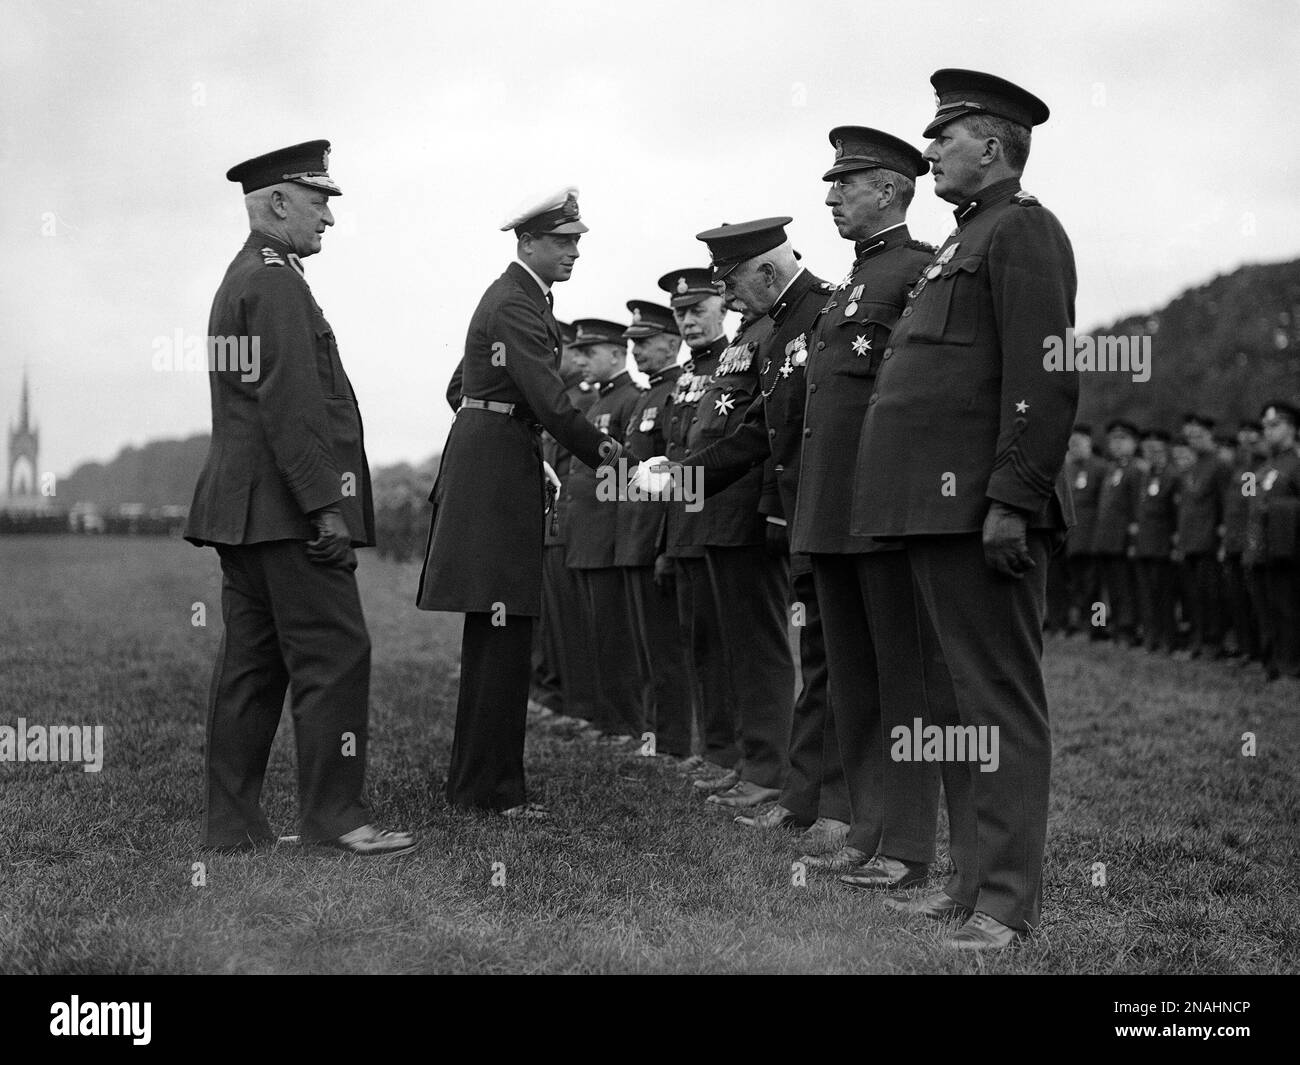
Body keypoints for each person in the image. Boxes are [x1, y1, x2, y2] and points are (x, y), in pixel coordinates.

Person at [852, 70, 1078, 950]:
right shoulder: (964, 239)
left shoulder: (1024, 230)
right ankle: (967, 885)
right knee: (953, 712)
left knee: (997, 705)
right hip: (931, 516)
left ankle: (1005, 906)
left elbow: (1045, 375)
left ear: (992, 145)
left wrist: (1012, 501)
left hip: (980, 515)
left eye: (946, 135)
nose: (932, 146)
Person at [185, 140, 412, 856]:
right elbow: (291, 408)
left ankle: (235, 826)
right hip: (289, 512)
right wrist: (325, 508)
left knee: (253, 668)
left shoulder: (241, 277)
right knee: (335, 656)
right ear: (279, 201)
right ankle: (336, 819)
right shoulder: (277, 281)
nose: (329, 220)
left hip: (244, 512)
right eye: (320, 203)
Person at [416, 188, 623, 818]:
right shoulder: (516, 302)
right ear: (528, 242)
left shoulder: (520, 298)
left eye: (578, 242)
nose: (574, 253)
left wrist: (504, 433)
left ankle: (483, 785)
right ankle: (489, 791)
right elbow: (549, 400)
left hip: (496, 465)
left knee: (499, 632)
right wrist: (607, 454)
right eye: (564, 242)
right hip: (496, 477)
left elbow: (462, 389)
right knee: (503, 630)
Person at [793, 128, 942, 886]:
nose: (830, 197)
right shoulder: (849, 287)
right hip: (830, 512)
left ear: (886, 189)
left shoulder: (918, 271)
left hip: (880, 514)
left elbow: (914, 398)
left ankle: (909, 845)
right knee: (851, 678)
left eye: (843, 184)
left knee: (901, 682)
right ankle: (868, 826)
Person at [674, 216, 844, 828]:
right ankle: (765, 771)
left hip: (768, 510)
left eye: (731, 282)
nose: (724, 297)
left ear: (766, 270)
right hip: (727, 506)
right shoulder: (761, 328)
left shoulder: (816, 312)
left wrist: (772, 509)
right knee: (741, 650)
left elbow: (779, 432)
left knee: (771, 650)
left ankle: (776, 776)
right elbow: (747, 427)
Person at [656, 268, 744, 787]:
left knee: (731, 643)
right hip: (687, 525)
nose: (687, 320)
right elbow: (674, 460)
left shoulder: (734, 363)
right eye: (680, 313)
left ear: (722, 308)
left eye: (696, 310)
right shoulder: (688, 376)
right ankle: (716, 750)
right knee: (702, 644)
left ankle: (738, 756)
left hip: (724, 518)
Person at [563, 318, 648, 743]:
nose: (580, 360)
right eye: (577, 352)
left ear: (617, 354)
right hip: (587, 535)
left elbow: (632, 474)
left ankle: (628, 723)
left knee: (617, 635)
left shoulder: (631, 399)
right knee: (596, 632)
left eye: (589, 352)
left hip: (610, 534)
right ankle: (607, 718)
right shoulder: (597, 403)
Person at [616, 300, 694, 759]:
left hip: (655, 536)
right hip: (633, 534)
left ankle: (674, 743)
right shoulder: (647, 396)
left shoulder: (673, 394)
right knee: (647, 649)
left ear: (672, 342)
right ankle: (654, 736)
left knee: (667, 651)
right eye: (632, 343)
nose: (636, 351)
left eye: (644, 342)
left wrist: (665, 542)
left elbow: (675, 475)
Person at [532, 321, 601, 725]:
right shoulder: (555, 401)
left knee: (578, 629)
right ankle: (557, 699)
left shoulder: (582, 402)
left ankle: (581, 708)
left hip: (576, 531)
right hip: (554, 530)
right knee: (555, 628)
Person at [1245, 401, 1300, 680]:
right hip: (1261, 550)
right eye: (1265, 426)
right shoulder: (1266, 467)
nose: (1267, 431)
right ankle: (1272, 664)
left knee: (1287, 610)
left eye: (1274, 425)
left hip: (1287, 552)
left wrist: (1278, 511)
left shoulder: (1296, 463)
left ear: (1291, 427)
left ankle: (1290, 666)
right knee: (1265, 610)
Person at [1175, 413, 1228, 658]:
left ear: (1210, 435)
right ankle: (1196, 641)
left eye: (1198, 436)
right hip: (1189, 542)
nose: (1193, 441)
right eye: (1190, 437)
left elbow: (1225, 505)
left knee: (1211, 596)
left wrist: (1221, 538)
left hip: (1208, 542)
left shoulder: (1220, 465)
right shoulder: (1190, 467)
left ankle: (1213, 642)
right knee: (1193, 597)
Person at [1093, 420, 1143, 645]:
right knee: (1112, 588)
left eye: (1122, 440)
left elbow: (1136, 509)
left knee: (1126, 588)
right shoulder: (1111, 469)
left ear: (1134, 443)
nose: (1117, 445)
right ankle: (1113, 626)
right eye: (1114, 440)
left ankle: (1127, 628)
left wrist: (1132, 539)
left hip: (1123, 540)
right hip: (1106, 540)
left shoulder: (1136, 470)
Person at [1134, 428, 1179, 654]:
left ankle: (1167, 639)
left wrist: (1173, 542)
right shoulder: (1145, 476)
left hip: (1162, 546)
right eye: (1148, 450)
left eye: (1157, 450)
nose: (1153, 455)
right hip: (1144, 544)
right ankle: (1151, 637)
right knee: (1147, 595)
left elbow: (1175, 513)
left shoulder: (1172, 476)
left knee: (1164, 596)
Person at [1062, 425, 1107, 634]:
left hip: (1093, 537)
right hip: (1073, 538)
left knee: (1094, 586)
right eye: (1071, 444)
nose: (1074, 448)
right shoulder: (1069, 469)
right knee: (1078, 585)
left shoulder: (1100, 468)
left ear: (1088, 443)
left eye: (1078, 443)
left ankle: (1098, 626)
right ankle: (1082, 623)